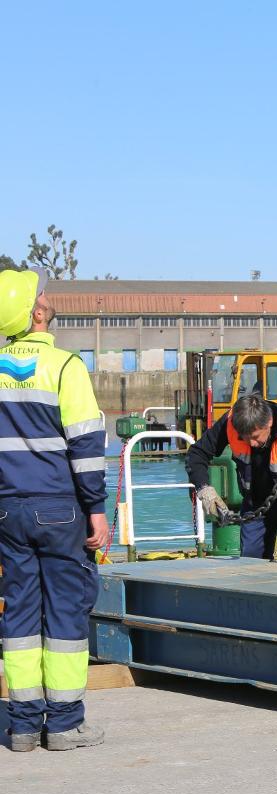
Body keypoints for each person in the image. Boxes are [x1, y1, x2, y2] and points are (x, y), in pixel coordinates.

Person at [0, 268, 108, 751]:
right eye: (41, 293)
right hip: (58, 508)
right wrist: (98, 509)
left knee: (19, 615)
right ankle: (63, 723)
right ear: (37, 312)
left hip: (7, 511)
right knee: (65, 612)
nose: (47, 295)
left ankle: (22, 724)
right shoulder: (66, 366)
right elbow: (85, 443)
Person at [186, 393, 277, 562]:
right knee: (250, 559)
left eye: (256, 437)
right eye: (245, 438)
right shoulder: (231, 422)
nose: (252, 444)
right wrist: (205, 491)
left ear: (269, 422)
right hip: (256, 500)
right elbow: (197, 454)